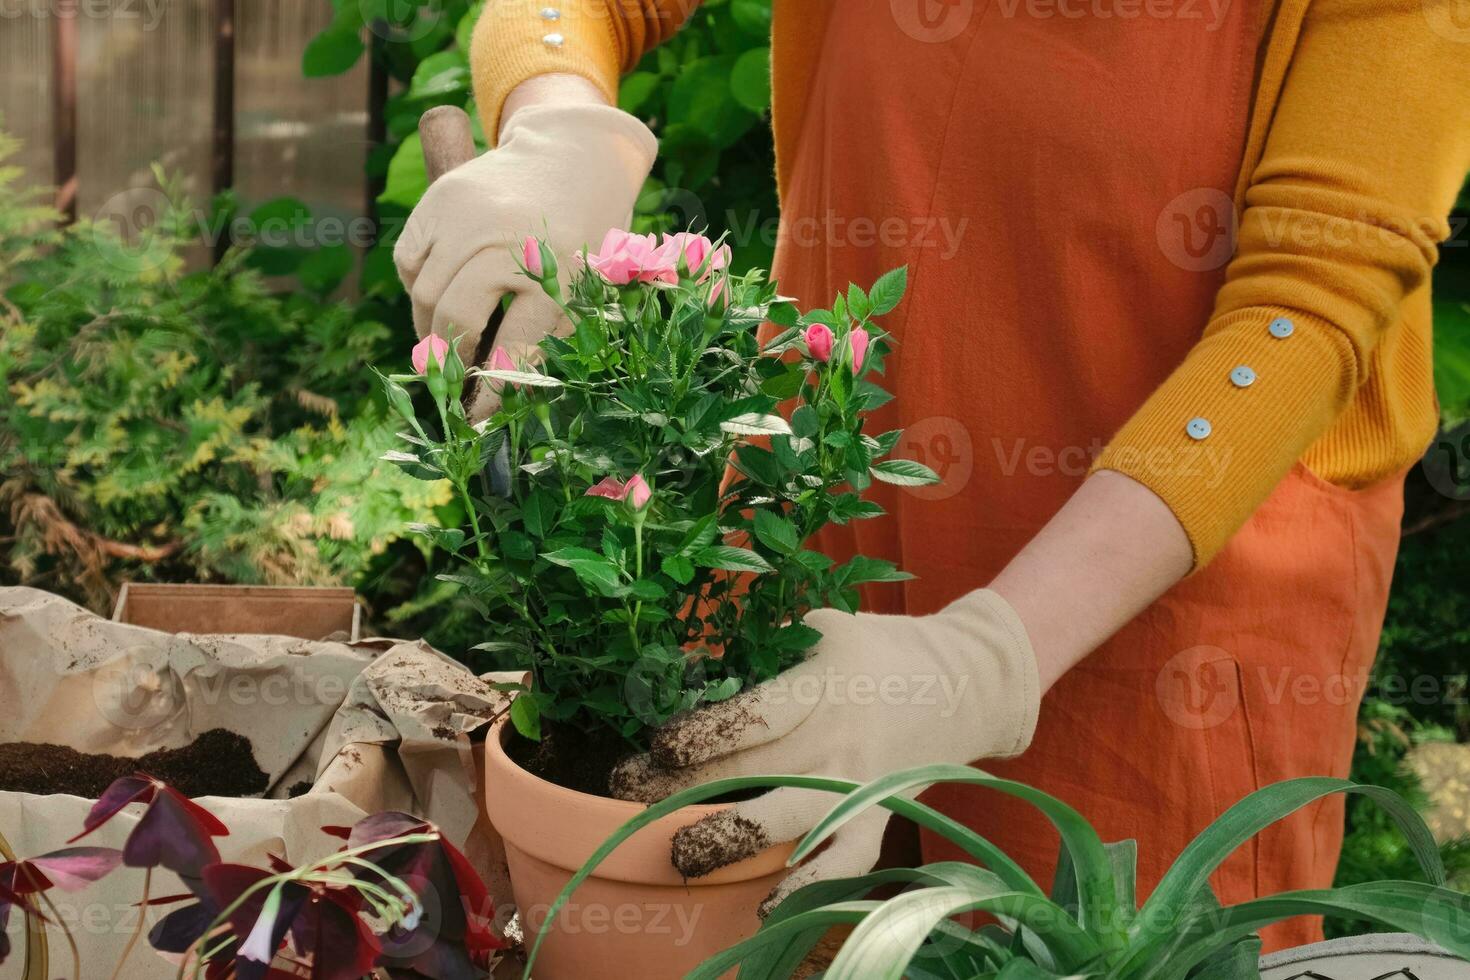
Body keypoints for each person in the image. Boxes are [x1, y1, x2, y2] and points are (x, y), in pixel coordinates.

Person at [395, 0, 1470, 950]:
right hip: (821, 531)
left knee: (1094, 941)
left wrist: (982, 659)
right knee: (785, 926)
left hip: (1162, 615)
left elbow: (1307, 310)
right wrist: (560, 128)